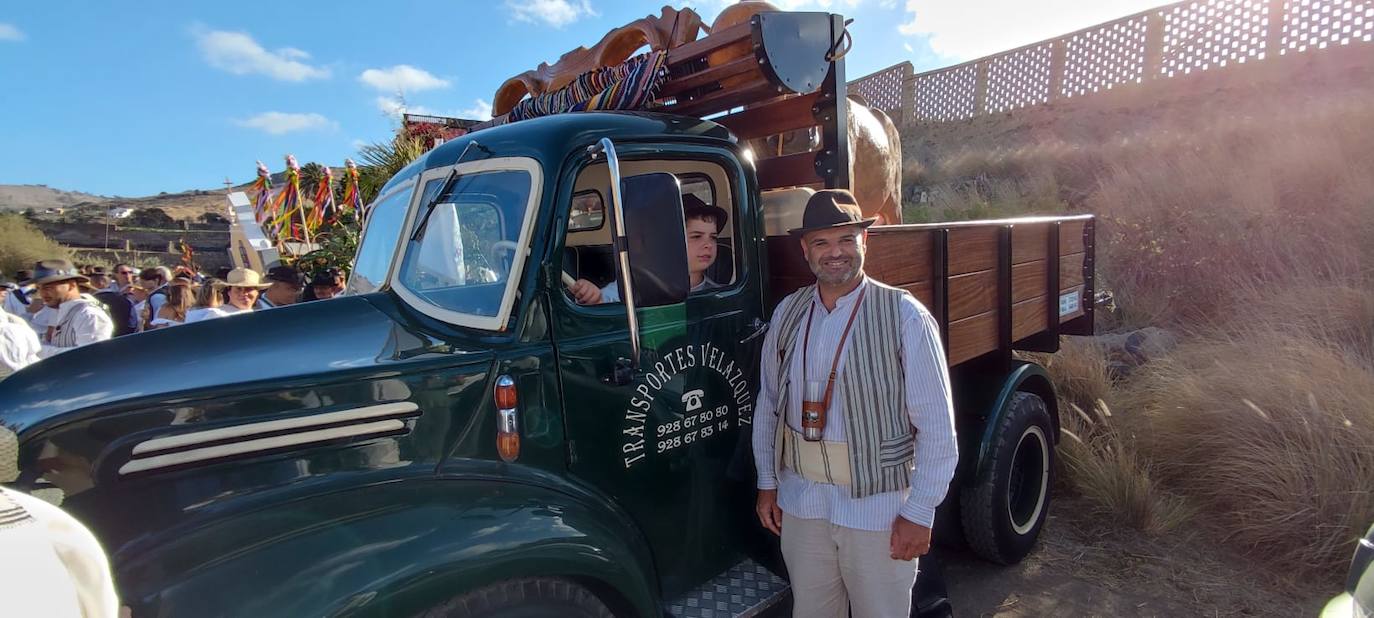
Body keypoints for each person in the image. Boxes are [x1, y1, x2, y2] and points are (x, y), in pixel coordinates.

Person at [749, 189, 958, 618]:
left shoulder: (904, 316)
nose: (835, 253)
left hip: (877, 511)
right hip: (803, 505)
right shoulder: (788, 313)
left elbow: (937, 428)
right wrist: (768, 482)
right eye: (822, 242)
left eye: (846, 240)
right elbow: (768, 404)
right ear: (805, 248)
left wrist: (919, 513)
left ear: (866, 242)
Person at [567, 194, 728, 305]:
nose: (708, 244)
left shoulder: (720, 295)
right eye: (696, 236)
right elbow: (607, 301)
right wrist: (595, 298)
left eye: (713, 237)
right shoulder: (638, 285)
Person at [31, 260, 114, 358]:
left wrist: (37, 350)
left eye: (48, 288)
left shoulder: (89, 314)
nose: (42, 293)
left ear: (71, 285)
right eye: (39, 288)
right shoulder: (56, 310)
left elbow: (91, 356)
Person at [185, 268, 270, 322]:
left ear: (257, 292)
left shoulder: (261, 316)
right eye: (238, 289)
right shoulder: (216, 316)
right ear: (229, 292)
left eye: (249, 288)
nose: (244, 293)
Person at [89, 271, 137, 338]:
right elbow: (133, 323)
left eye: (90, 283)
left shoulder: (90, 302)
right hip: (124, 340)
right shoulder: (126, 300)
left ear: (98, 284)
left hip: (100, 342)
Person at [0, 310, 40, 378]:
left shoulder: (16, 324)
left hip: (10, 377)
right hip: (28, 373)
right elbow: (35, 349)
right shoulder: (18, 324)